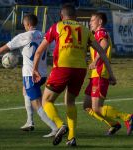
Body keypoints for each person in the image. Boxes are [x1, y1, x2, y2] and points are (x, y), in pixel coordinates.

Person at [32, 4, 116, 146]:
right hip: (80, 70)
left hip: (62, 68)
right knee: (70, 102)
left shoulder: (57, 26)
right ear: (76, 17)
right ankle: (71, 137)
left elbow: (40, 50)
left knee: (46, 100)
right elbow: (102, 52)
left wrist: (34, 69)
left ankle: (60, 125)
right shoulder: (85, 29)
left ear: (61, 15)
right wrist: (112, 74)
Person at [0, 13, 58, 137]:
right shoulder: (44, 35)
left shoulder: (23, 36)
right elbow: (54, 49)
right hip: (43, 74)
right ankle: (30, 121)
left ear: (28, 24)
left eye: (24, 24)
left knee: (37, 103)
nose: (23, 26)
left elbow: (3, 49)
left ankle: (55, 128)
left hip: (31, 75)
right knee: (25, 91)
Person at [83, 12, 133, 136]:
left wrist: (95, 61)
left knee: (97, 108)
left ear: (100, 22)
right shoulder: (96, 35)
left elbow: (104, 47)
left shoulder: (101, 32)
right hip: (95, 74)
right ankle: (114, 124)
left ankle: (128, 117)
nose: (90, 22)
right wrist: (111, 74)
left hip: (99, 74)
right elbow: (104, 55)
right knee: (87, 106)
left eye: (92, 20)